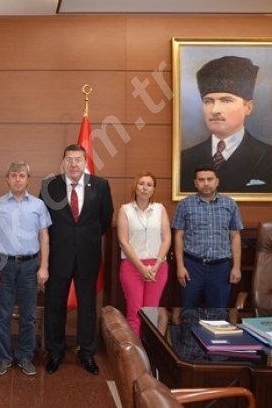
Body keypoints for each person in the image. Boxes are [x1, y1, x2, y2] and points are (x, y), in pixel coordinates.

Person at [39, 144, 114, 375]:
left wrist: (86, 237)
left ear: (85, 162)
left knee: (88, 307)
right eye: (69, 159)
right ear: (63, 162)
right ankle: (55, 352)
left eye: (78, 159)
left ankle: (87, 353)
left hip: (87, 256)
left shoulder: (100, 185)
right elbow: (43, 222)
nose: (73, 164)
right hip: (58, 256)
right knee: (55, 306)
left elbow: (105, 217)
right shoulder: (49, 186)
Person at [0, 161, 51, 376]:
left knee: (28, 316)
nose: (17, 179)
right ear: (7, 179)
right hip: (3, 265)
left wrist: (44, 266)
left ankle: (24, 356)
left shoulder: (38, 206)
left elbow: (44, 237)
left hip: (30, 266)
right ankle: (4, 358)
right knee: (3, 315)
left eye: (21, 175)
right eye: (13, 175)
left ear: (28, 180)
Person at [180, 55, 272, 193]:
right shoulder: (185, 158)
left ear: (248, 107)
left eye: (226, 100)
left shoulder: (270, 157)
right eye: (208, 101)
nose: (214, 110)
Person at [172, 166, 244, 308]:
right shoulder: (184, 205)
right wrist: (180, 266)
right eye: (201, 180)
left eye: (210, 179)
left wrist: (236, 267)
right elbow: (178, 236)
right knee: (188, 312)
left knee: (218, 314)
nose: (206, 183)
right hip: (192, 267)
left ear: (217, 181)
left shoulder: (230, 204)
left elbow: (235, 236)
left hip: (221, 268)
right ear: (195, 183)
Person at [117, 172, 171, 337]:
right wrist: (141, 268)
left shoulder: (160, 209)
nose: (145, 188)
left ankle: (149, 349)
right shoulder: (125, 210)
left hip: (157, 267)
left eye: (149, 185)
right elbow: (123, 242)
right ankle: (136, 351)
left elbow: (167, 239)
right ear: (135, 187)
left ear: (153, 189)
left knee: (151, 313)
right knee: (134, 312)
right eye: (141, 184)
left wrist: (157, 264)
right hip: (132, 266)